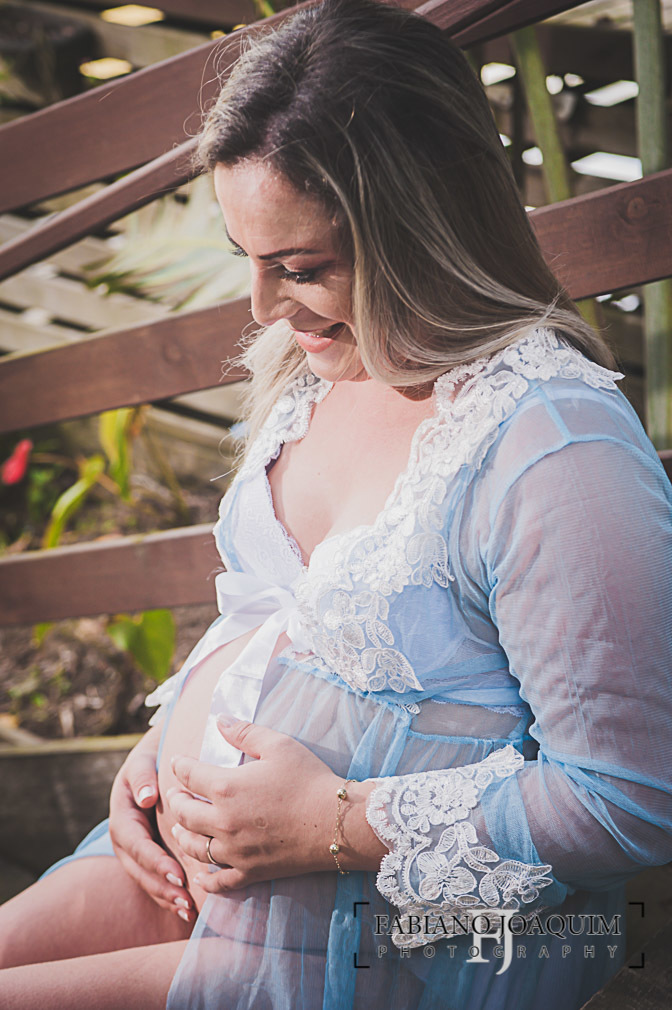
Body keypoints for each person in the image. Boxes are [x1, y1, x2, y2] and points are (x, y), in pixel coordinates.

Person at [1, 0, 671, 1007]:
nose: (263, 308)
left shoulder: (555, 450)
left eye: (302, 268)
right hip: (192, 867)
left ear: (422, 230)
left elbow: (631, 800)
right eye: (248, 256)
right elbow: (272, 614)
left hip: (374, 944)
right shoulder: (311, 365)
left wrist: (333, 822)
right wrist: (160, 756)